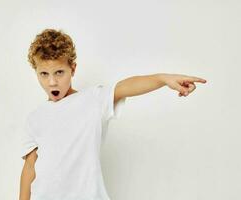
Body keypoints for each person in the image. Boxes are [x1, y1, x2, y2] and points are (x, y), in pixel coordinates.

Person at [19, 28, 207, 200]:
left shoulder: (92, 100)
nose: (52, 82)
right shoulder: (35, 118)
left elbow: (126, 87)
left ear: (73, 69)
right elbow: (29, 168)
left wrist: (163, 79)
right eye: (44, 74)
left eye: (59, 72)